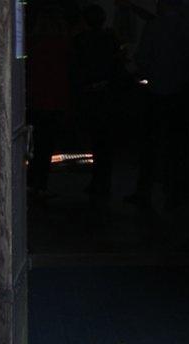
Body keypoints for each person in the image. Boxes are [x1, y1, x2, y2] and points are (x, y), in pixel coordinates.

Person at [129, 0, 189, 210]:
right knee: (177, 145)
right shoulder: (188, 27)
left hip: (156, 91)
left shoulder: (155, 27)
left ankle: (145, 189)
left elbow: (143, 57)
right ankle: (176, 190)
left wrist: (147, 73)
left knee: (150, 144)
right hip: (180, 92)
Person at [70, 4, 125, 199]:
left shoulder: (81, 41)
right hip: (106, 95)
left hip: (91, 95)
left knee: (96, 138)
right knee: (104, 141)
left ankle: (98, 180)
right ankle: (102, 180)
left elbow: (76, 69)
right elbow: (118, 65)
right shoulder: (109, 40)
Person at [28, 2, 73, 195]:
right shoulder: (64, 45)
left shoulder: (34, 45)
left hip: (37, 99)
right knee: (46, 144)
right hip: (55, 100)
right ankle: (41, 181)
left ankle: (32, 179)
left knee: (34, 142)